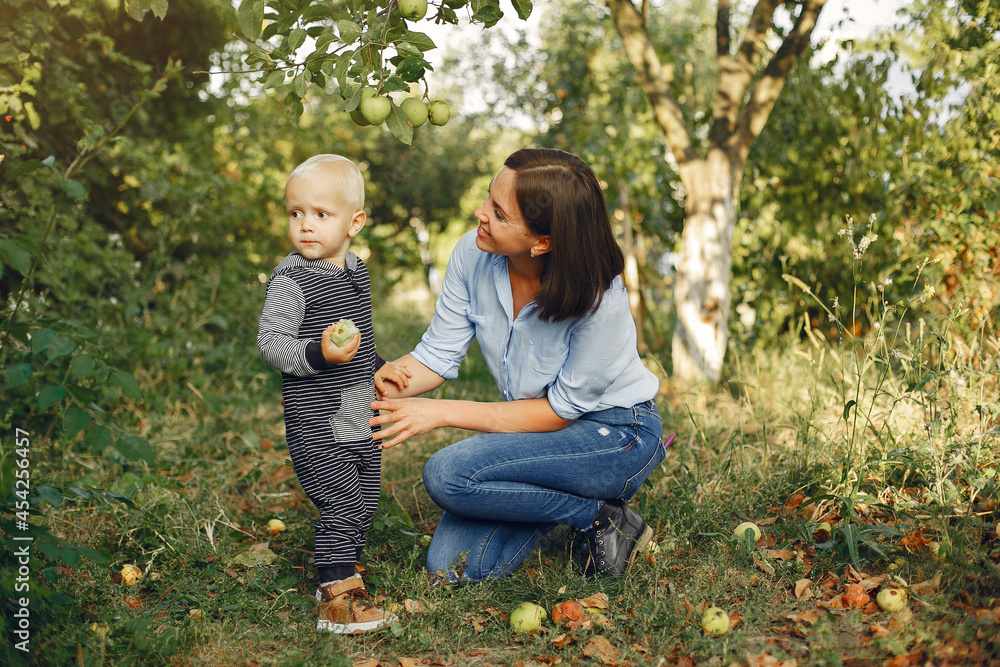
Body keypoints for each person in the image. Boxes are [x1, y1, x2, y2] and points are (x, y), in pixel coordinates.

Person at [371, 148, 668, 582]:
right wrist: (375, 383)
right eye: (487, 198)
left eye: (498, 212)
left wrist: (441, 413)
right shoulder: (472, 256)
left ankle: (592, 511)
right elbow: (435, 355)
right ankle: (585, 507)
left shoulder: (600, 297)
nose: (480, 213)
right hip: (538, 431)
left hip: (616, 432)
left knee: (448, 473)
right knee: (456, 569)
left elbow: (558, 411)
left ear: (542, 241)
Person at [257, 154, 409, 633]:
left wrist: (378, 366)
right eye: (295, 213)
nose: (305, 226)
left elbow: (358, 334)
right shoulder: (291, 279)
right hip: (317, 424)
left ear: (354, 222)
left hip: (358, 417)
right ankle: (335, 596)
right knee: (341, 498)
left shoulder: (356, 272)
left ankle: (346, 569)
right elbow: (271, 343)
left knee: (364, 498)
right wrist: (319, 354)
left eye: (321, 214)